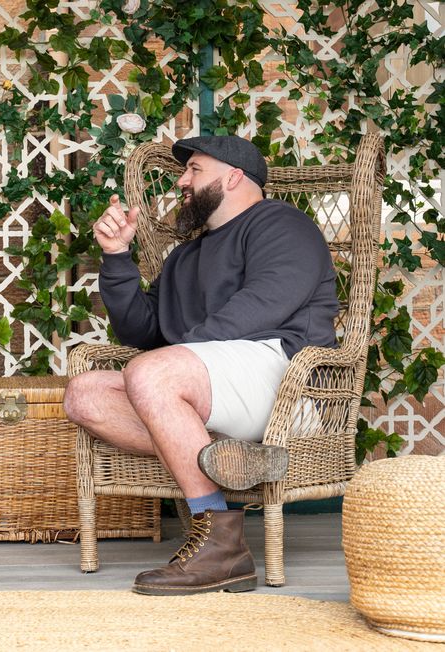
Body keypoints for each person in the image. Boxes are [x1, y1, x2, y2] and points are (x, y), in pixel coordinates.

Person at [63, 135, 338, 596]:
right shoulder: (185, 256)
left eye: (194, 169)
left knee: (152, 372)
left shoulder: (281, 224)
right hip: (212, 385)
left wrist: (160, 367)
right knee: (84, 393)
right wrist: (116, 256)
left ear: (233, 176)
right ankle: (226, 458)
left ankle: (219, 542)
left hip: (288, 381)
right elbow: (141, 331)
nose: (183, 181)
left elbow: (261, 307)